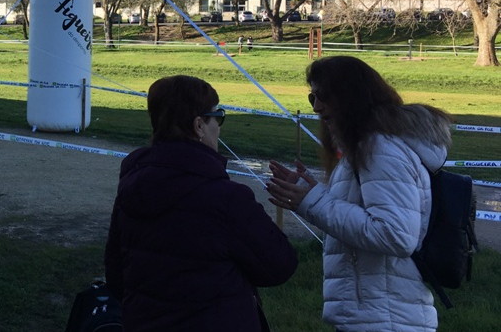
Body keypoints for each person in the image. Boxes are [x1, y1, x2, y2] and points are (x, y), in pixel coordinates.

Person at [266, 56, 451, 331]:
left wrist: (313, 201)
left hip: (385, 320)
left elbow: (395, 235)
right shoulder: (365, 149)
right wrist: (312, 193)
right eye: (312, 97)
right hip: (373, 316)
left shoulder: (381, 150)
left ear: (353, 95)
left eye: (323, 95)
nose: (316, 107)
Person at [105, 75, 297, 330]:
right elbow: (279, 265)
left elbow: (116, 274)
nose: (219, 126)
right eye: (217, 117)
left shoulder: (132, 187)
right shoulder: (226, 198)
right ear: (199, 125)